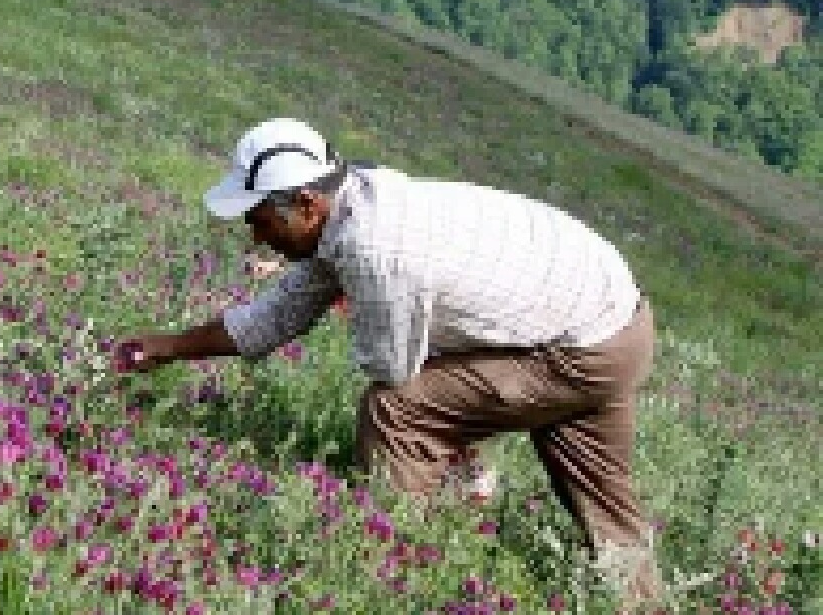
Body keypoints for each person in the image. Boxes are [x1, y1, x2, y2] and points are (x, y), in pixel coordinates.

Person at [118, 118, 661, 602]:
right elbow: (277, 314)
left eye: (261, 220)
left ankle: (399, 572)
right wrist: (164, 348)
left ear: (307, 203)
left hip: (582, 347)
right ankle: (645, 600)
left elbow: (395, 371)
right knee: (606, 505)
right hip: (614, 316)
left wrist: (460, 447)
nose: (256, 237)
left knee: (397, 410)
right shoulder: (354, 202)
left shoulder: (377, 250)